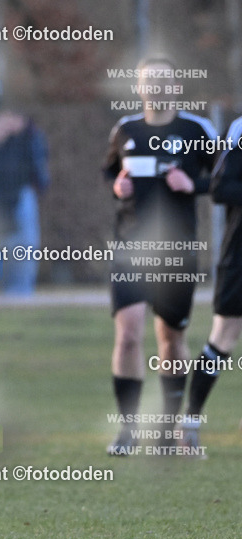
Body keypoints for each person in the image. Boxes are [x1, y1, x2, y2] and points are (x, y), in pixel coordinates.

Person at [101, 56, 217, 456]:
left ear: (176, 87)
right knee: (128, 334)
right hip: (130, 249)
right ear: (139, 88)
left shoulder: (196, 130)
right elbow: (110, 172)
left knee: (170, 339)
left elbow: (225, 178)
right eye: (150, 81)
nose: (158, 88)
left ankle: (167, 431)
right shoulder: (125, 129)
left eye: (165, 81)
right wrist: (117, 187)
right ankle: (128, 431)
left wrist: (193, 184)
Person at [180, 113, 242, 450]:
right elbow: (220, 188)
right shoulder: (240, 130)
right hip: (240, 254)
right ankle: (190, 422)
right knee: (224, 336)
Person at [0, 110, 49, 295]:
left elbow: (35, 165)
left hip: (19, 197)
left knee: (23, 246)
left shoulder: (25, 139)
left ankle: (20, 291)